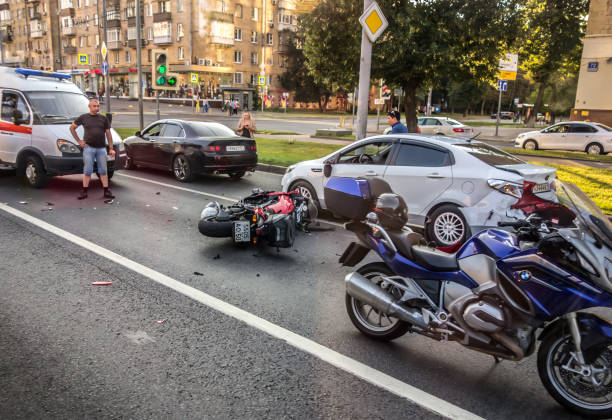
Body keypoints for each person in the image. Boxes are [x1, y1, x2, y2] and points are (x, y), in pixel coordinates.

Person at [70, 99, 115, 200]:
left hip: (101, 149)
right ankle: (84, 191)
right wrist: (79, 141)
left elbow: (108, 134)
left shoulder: (103, 118)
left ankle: (106, 191)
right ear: (89, 106)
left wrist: (111, 148)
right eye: (94, 106)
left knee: (103, 170)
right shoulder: (84, 117)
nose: (96, 108)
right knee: (87, 171)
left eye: (98, 106)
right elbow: (72, 128)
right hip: (88, 148)